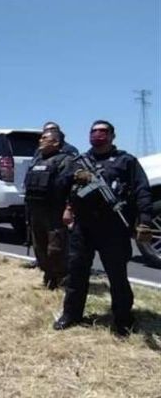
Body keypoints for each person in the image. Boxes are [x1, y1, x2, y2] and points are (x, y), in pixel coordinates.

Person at [52, 120, 153, 337]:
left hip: (113, 227)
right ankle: (71, 314)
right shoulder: (79, 161)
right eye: (94, 131)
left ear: (112, 136)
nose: (98, 135)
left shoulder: (125, 161)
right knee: (77, 272)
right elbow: (59, 185)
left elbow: (142, 190)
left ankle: (123, 319)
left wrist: (144, 220)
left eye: (103, 132)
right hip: (84, 226)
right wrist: (73, 176)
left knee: (117, 276)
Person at [23, 130, 72, 289]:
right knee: (40, 248)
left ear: (56, 142)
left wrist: (68, 209)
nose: (40, 140)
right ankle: (48, 275)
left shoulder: (65, 161)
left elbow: (71, 188)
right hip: (36, 212)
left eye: (45, 138)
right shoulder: (37, 161)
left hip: (54, 212)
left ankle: (60, 278)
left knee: (55, 249)